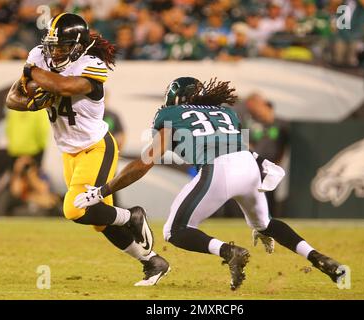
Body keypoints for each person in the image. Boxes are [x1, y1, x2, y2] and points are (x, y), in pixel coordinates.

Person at [74, 77, 347, 291]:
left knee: (175, 231)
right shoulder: (226, 113)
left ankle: (229, 252)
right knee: (265, 224)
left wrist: (104, 190)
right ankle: (318, 257)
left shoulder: (170, 115)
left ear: (176, 98)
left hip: (219, 169)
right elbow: (242, 148)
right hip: (248, 166)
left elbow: (147, 161)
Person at [5, 13, 170, 286]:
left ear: (79, 46)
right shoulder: (40, 56)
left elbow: (64, 86)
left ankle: (132, 215)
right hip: (69, 151)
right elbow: (13, 98)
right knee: (98, 221)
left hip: (96, 148)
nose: (55, 52)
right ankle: (152, 261)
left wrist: (31, 74)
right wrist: (32, 103)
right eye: (52, 45)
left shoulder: (92, 64)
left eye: (63, 46)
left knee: (75, 210)